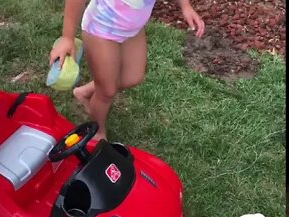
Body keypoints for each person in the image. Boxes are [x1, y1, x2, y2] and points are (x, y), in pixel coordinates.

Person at [49, 0, 205, 141]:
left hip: (132, 30)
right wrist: (67, 38)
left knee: (133, 77)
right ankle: (97, 132)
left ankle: (84, 92)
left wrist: (185, 6)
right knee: (107, 92)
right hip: (101, 28)